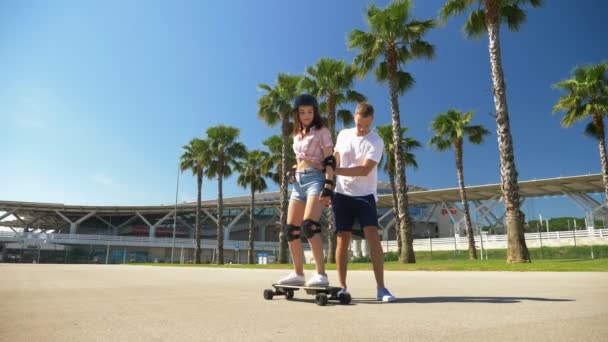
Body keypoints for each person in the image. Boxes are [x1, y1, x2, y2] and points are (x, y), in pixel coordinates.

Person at [332, 102, 396, 302]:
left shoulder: (376, 141)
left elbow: (364, 170)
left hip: (365, 195)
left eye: (366, 125)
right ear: (354, 117)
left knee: (373, 238)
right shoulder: (343, 134)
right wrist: (328, 172)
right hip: (341, 193)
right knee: (343, 239)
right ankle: (342, 287)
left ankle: (381, 289)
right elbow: (335, 157)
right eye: (360, 124)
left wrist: (335, 171)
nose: (362, 129)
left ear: (372, 121)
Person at [276, 94, 335, 287]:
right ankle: (298, 274)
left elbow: (329, 160)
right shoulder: (297, 135)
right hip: (298, 183)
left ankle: (321, 274)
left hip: (316, 180)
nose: (306, 115)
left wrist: (328, 186)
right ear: (297, 114)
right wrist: (293, 169)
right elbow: (300, 159)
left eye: (309, 111)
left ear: (315, 112)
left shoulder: (322, 131)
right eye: (302, 112)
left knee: (309, 225)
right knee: (290, 230)